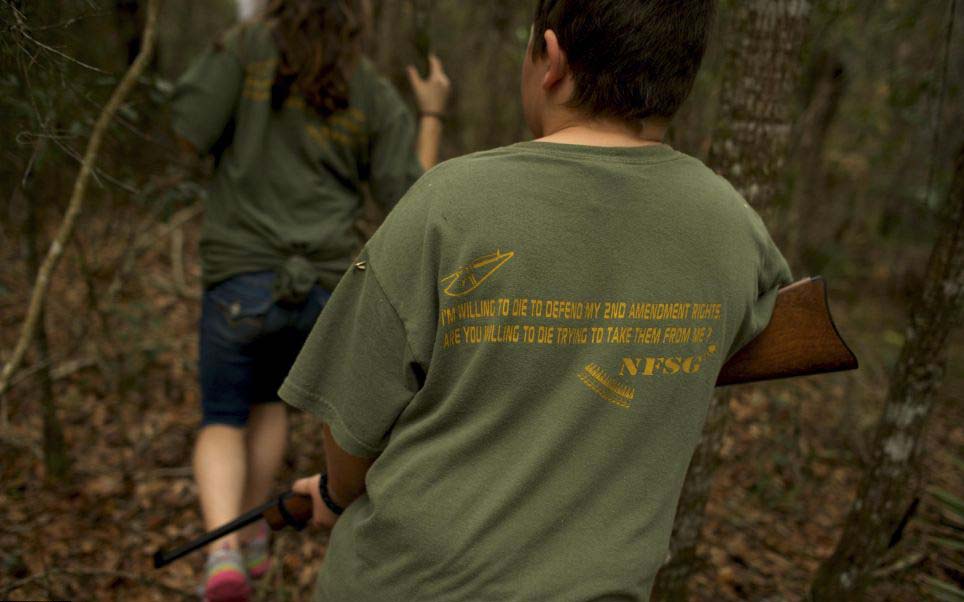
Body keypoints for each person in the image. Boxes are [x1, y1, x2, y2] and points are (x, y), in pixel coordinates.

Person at [282, 0, 792, 600]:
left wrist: (335, 494)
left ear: (550, 60)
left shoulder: (449, 202)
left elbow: (351, 436)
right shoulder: (733, 226)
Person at [169, 0, 451, 600]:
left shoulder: (245, 51)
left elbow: (187, 125)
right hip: (326, 292)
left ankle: (222, 550)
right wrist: (430, 112)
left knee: (223, 416)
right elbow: (411, 198)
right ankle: (252, 541)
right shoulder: (368, 87)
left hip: (240, 276)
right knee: (270, 405)